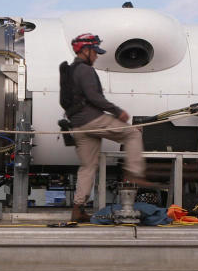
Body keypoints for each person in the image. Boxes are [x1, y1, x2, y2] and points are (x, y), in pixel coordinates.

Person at [64, 33, 151, 223]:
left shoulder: (71, 71)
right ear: (85, 51)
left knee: (88, 167)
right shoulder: (85, 70)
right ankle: (134, 174)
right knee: (133, 134)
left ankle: (78, 209)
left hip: (77, 125)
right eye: (94, 52)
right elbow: (94, 97)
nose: (96, 56)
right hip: (92, 120)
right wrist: (117, 111)